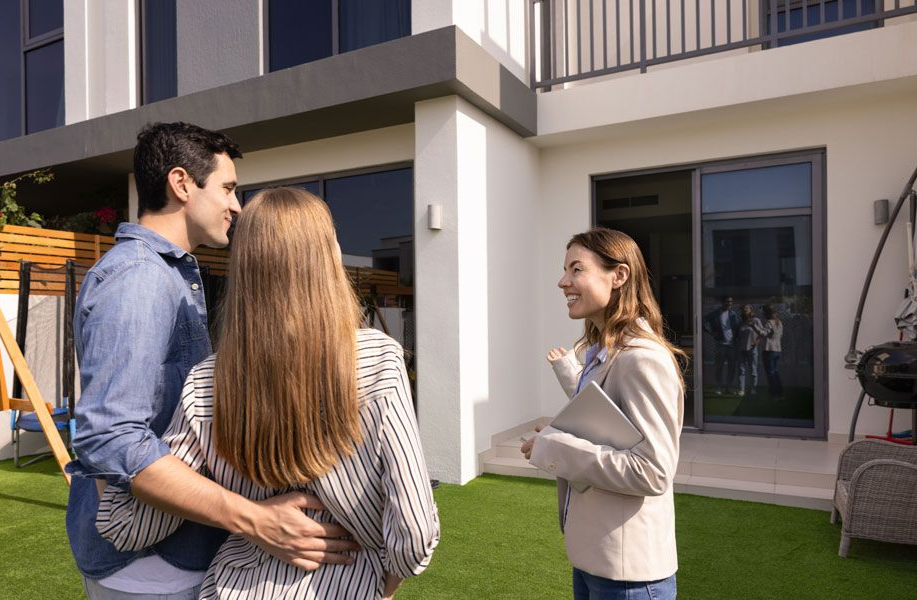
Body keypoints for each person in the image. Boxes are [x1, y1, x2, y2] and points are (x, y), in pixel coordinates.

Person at [94, 187, 440, 599]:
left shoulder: (207, 381)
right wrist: (383, 586)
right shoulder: (378, 358)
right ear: (328, 256)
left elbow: (128, 524)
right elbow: (415, 530)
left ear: (245, 265)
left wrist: (102, 434)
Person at [67, 123, 358, 600]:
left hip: (177, 552)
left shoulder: (171, 273)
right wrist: (256, 519)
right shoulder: (138, 279)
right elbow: (111, 436)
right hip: (148, 568)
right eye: (227, 188)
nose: (236, 205)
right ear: (182, 184)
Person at [522, 228, 683, 600]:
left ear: (619, 276)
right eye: (565, 270)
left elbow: (652, 471)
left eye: (576, 269)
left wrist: (553, 446)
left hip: (628, 576)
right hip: (598, 557)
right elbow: (606, 424)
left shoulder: (642, 359)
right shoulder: (605, 352)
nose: (563, 282)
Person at [704, 296, 740, 395]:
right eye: (727, 301)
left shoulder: (733, 314)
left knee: (732, 368)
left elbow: (737, 328)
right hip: (720, 344)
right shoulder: (715, 313)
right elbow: (703, 321)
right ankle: (718, 387)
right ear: (722, 302)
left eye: (731, 302)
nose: (729, 303)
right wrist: (710, 332)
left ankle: (729, 387)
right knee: (718, 367)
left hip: (732, 345)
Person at [761, 304, 784, 400]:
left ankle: (775, 395)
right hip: (777, 350)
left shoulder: (769, 322)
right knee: (775, 372)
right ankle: (779, 393)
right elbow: (781, 336)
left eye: (763, 312)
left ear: (767, 313)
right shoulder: (779, 322)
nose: (762, 313)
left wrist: (754, 326)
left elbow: (763, 333)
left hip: (769, 351)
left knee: (770, 374)